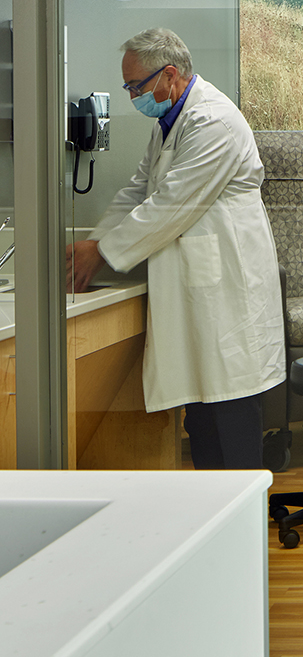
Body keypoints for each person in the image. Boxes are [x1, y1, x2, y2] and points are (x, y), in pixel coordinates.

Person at [65, 28, 285, 470]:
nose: (131, 96)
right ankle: (209, 521)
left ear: (169, 75)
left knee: (231, 412)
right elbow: (138, 191)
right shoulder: (171, 123)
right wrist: (94, 246)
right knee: (202, 416)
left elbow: (173, 204)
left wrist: (104, 252)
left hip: (227, 282)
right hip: (199, 284)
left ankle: (243, 527)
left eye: (135, 86)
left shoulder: (214, 122)